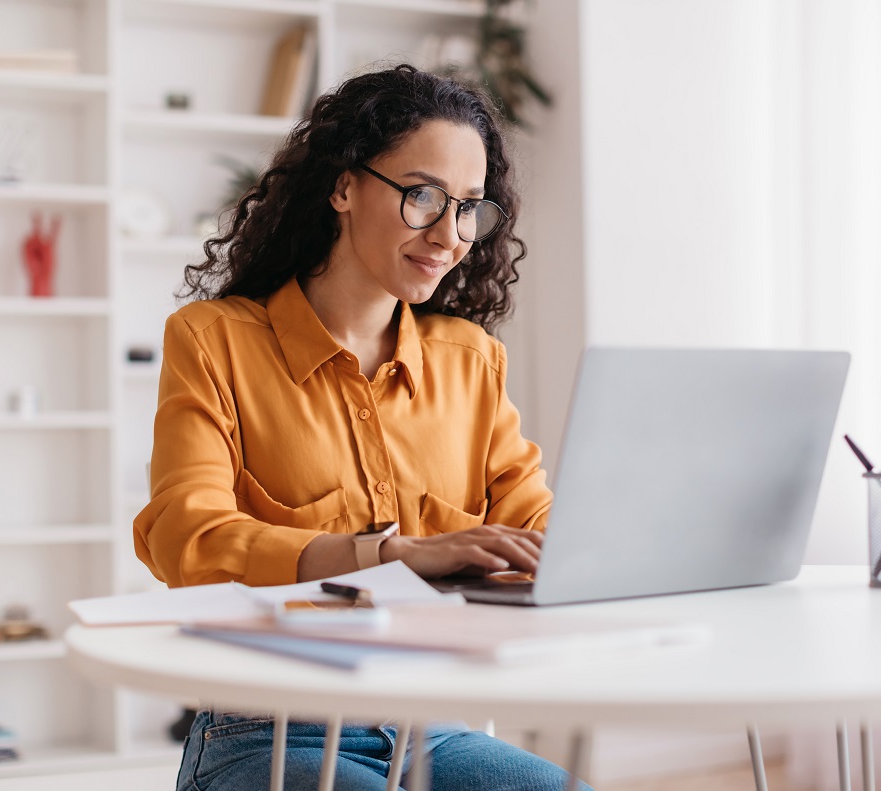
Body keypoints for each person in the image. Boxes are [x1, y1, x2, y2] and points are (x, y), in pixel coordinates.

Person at [134, 65, 592, 791]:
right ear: (343, 186)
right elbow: (185, 536)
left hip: (433, 724)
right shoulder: (213, 339)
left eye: (470, 207)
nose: (450, 234)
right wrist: (390, 554)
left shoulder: (470, 361)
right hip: (266, 728)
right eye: (423, 196)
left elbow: (534, 527)